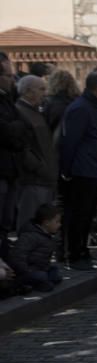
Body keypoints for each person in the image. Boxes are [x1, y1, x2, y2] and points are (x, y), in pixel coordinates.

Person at [59, 69, 97, 270]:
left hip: (92, 170)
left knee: (86, 215)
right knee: (78, 215)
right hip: (82, 171)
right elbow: (70, 142)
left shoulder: (91, 107)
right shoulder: (81, 108)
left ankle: (82, 250)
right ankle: (73, 254)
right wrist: (67, 171)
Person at [14, 74, 58, 233]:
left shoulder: (33, 112)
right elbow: (23, 149)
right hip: (33, 180)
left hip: (42, 179)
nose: (44, 93)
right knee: (30, 223)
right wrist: (41, 168)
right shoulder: (20, 112)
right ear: (28, 91)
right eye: (41, 89)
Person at [0, 52, 29, 247]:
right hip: (3, 169)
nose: (13, 80)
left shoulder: (8, 100)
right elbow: (8, 131)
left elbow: (21, 130)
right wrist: (16, 128)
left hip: (11, 170)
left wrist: (16, 128)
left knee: (6, 221)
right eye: (9, 76)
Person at [8, 202, 61, 292]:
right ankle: (31, 284)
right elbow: (17, 256)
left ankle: (41, 281)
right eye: (57, 222)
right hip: (25, 272)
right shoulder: (29, 236)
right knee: (42, 278)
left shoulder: (46, 235)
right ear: (46, 223)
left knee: (54, 273)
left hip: (39, 268)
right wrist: (27, 271)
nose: (59, 224)